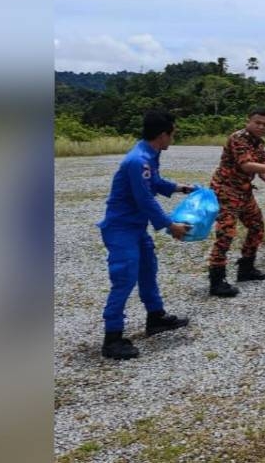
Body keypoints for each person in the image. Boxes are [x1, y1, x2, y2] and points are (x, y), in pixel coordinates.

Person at [97, 110, 194, 360]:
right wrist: (170, 225)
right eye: (172, 134)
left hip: (136, 227)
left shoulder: (150, 154)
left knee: (148, 270)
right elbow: (145, 200)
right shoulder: (138, 160)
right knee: (125, 278)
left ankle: (156, 317)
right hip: (121, 229)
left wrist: (182, 188)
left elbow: (155, 182)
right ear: (163, 135)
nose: (173, 139)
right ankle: (112, 338)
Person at [208, 108, 265, 297]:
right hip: (226, 190)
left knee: (257, 226)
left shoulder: (259, 143)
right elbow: (247, 165)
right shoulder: (238, 138)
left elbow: (262, 172)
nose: (261, 127)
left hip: (244, 191)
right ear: (248, 121)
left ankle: (246, 268)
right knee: (225, 233)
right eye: (257, 123)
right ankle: (216, 280)